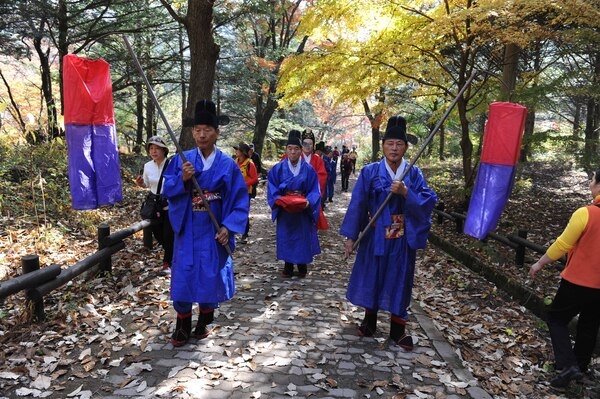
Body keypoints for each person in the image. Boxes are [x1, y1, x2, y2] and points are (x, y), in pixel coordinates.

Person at [340, 115, 437, 350]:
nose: (394, 148)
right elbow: (358, 204)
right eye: (390, 143)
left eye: (399, 144)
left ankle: (398, 330)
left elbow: (428, 201)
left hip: (401, 239)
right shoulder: (370, 172)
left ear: (405, 148)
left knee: (399, 280)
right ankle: (370, 321)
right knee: (373, 276)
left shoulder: (413, 174)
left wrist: (406, 193)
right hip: (375, 236)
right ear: (383, 146)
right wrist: (351, 237)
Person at [162, 99, 249, 347]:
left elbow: (239, 199)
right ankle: (182, 324)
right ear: (192, 132)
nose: (202, 135)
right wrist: (183, 178)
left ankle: (205, 321)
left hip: (213, 226)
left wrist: (228, 227)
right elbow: (167, 189)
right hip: (188, 225)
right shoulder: (182, 159)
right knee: (184, 272)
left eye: (207, 130)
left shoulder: (228, 165)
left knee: (210, 274)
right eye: (198, 130)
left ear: (217, 132)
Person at [529, 169, 600, 389]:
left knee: (556, 318)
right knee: (589, 325)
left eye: (592, 180)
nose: (590, 184)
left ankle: (567, 365)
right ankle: (579, 368)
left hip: (578, 281)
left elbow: (562, 244)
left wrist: (540, 263)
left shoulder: (586, 213)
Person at [267, 130, 321, 278]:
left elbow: (314, 189)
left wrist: (308, 201)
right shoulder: (278, 169)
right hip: (285, 209)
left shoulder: (309, 170)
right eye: (290, 148)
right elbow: (272, 186)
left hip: (302, 208)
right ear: (286, 150)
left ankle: (302, 265)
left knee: (302, 236)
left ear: (301, 150)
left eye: (296, 149)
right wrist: (278, 200)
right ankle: (288, 266)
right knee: (286, 236)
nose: (293, 152)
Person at [135, 136, 174, 275]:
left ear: (164, 150)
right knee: (158, 234)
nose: (154, 151)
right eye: (151, 148)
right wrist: (140, 183)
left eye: (157, 148)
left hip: (171, 205)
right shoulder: (147, 166)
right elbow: (146, 184)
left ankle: (167, 263)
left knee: (169, 234)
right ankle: (174, 254)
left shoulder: (172, 164)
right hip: (154, 205)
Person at [301, 129, 328, 229]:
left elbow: (322, 177)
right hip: (296, 195)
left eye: (310, 143)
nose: (307, 146)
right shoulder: (295, 157)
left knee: (311, 225)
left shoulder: (317, 160)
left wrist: (312, 193)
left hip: (312, 195)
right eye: (305, 143)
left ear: (313, 145)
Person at [234, 142, 259, 242]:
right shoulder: (235, 162)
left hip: (246, 192)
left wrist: (244, 184)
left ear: (243, 152)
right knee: (235, 211)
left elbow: (255, 178)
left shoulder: (249, 163)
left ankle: (245, 234)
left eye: (238, 150)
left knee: (244, 212)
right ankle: (235, 231)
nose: (236, 151)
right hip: (235, 191)